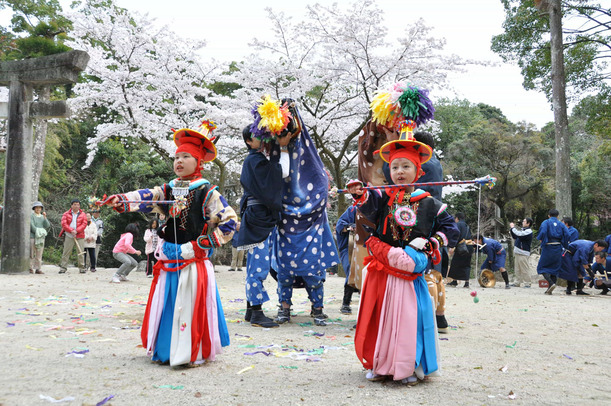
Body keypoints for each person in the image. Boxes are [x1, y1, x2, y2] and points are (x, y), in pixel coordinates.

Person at [104, 119, 237, 367]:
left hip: (192, 260)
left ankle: (190, 351)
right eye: (177, 157)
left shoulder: (208, 191)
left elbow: (230, 221)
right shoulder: (168, 188)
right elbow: (146, 196)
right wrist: (122, 200)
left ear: (199, 162)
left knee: (188, 305)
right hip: (168, 258)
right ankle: (167, 349)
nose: (179, 161)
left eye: (186, 156)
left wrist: (203, 243)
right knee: (168, 305)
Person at [350, 83, 457, 385]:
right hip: (384, 271)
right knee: (382, 319)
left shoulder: (429, 202)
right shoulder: (383, 197)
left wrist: (431, 245)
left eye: (405, 166)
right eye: (394, 166)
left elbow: (450, 228)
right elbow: (369, 211)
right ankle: (382, 364)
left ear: (418, 171)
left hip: (411, 274)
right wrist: (360, 195)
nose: (399, 171)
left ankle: (408, 366)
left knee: (409, 320)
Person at [266, 98, 338, 327]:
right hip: (286, 222)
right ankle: (284, 308)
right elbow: (275, 181)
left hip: (312, 223)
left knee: (313, 270)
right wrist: (283, 148)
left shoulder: (313, 162)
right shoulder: (276, 155)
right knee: (285, 270)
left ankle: (317, 309)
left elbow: (320, 187)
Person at [236, 118, 291, 328]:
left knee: (255, 265)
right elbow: (281, 173)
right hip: (258, 217)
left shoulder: (255, 159)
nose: (264, 139)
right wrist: (284, 147)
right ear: (249, 142)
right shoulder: (255, 161)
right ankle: (257, 312)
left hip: (256, 215)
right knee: (258, 266)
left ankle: (251, 309)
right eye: (258, 136)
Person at [335, 182, 360, 314]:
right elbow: (340, 225)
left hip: (366, 247)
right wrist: (350, 227)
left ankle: (365, 306)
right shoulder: (351, 210)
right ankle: (346, 303)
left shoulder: (372, 210)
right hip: (349, 248)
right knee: (351, 272)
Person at [536, 209, 570, 295]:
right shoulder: (561, 224)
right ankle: (549, 288)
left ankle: (551, 283)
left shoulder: (546, 222)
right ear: (558, 216)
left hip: (548, 247)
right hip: (558, 247)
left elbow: (543, 232)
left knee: (541, 267)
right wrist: (564, 245)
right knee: (555, 267)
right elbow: (567, 235)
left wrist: (542, 240)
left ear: (549, 215)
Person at [59, 199, 88, 274]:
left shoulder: (83, 214)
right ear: (71, 205)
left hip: (80, 235)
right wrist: (71, 230)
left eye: (78, 204)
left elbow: (84, 224)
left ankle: (82, 268)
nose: (76, 206)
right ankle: (63, 268)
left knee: (81, 252)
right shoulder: (66, 214)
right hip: (69, 235)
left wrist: (76, 231)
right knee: (66, 252)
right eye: (75, 204)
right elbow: (64, 224)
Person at [447, 212, 474, 288]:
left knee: (455, 263)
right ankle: (466, 283)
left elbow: (456, 236)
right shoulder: (467, 226)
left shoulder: (458, 224)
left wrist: (452, 246)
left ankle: (455, 281)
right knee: (466, 265)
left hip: (461, 247)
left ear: (457, 218)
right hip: (469, 246)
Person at [509, 217, 534, 288]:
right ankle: (517, 282)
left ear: (528, 223)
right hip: (517, 251)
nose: (522, 222)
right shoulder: (523, 230)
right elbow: (515, 236)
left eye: (524, 221)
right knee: (517, 269)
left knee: (524, 269)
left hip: (523, 252)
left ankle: (527, 283)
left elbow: (518, 234)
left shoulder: (528, 231)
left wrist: (513, 227)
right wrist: (511, 229)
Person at [29, 201, 50, 274]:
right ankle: (30, 268)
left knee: (39, 253)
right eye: (37, 207)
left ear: (41, 209)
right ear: (34, 208)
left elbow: (47, 225)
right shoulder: (31, 216)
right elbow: (32, 226)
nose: (38, 209)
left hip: (41, 237)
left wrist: (45, 217)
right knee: (31, 253)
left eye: (39, 207)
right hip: (32, 236)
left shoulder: (42, 216)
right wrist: (39, 231)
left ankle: (38, 269)